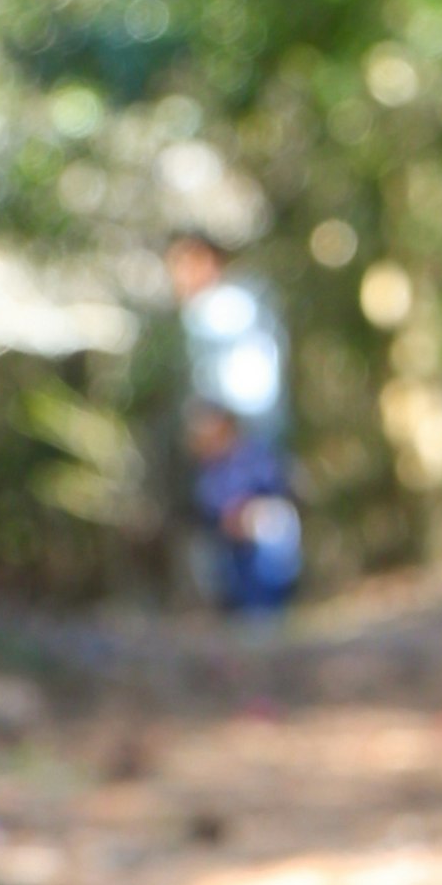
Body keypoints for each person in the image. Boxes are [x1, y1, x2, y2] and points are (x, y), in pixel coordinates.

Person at [162, 233, 304, 613]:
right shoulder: (219, 307)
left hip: (242, 436)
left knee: (251, 518)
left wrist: (219, 430)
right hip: (239, 434)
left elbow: (250, 378)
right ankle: (256, 612)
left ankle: (265, 610)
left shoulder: (225, 308)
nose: (178, 276)